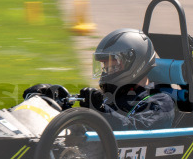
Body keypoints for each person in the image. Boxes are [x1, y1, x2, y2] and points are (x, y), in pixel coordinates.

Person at [25, 29, 175, 131]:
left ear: (135, 63)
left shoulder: (160, 102)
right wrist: (53, 102)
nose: (107, 72)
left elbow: (135, 130)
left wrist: (101, 111)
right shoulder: (109, 97)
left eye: (113, 66)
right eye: (105, 66)